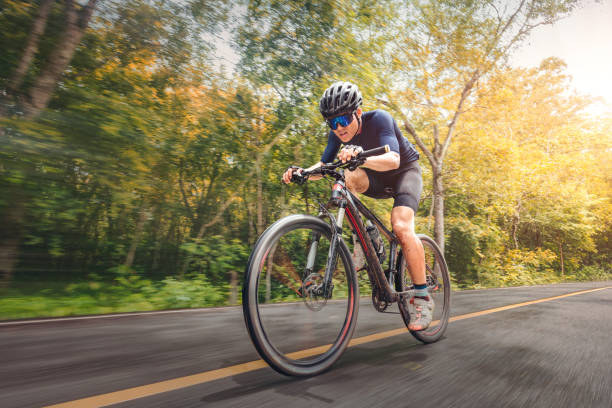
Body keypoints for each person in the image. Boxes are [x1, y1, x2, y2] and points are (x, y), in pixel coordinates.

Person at [282, 81, 433, 331]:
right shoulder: (337, 134)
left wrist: (360, 154)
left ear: (358, 113)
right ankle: (365, 239)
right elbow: (324, 166)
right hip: (373, 179)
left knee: (401, 227)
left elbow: (393, 159)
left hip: (404, 173)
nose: (339, 128)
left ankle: (422, 297)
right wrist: (302, 172)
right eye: (332, 122)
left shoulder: (380, 119)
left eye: (343, 119)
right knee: (343, 177)